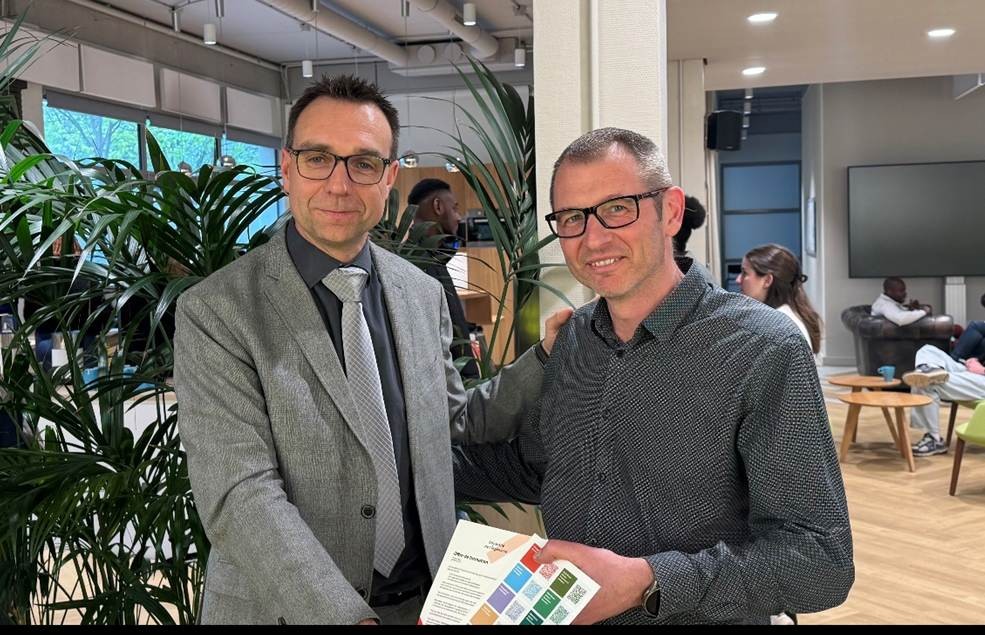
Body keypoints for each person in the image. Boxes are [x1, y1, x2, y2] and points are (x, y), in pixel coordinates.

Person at [174, 75, 569, 625]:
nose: (339, 185)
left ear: (388, 177)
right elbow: (241, 496)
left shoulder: (421, 293)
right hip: (291, 613)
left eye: (363, 163)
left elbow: (451, 421)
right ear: (287, 168)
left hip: (423, 601)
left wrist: (545, 356)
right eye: (318, 159)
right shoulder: (218, 310)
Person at [453, 127, 854, 624]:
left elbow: (821, 561)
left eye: (617, 208)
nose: (592, 238)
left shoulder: (762, 348)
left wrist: (647, 581)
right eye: (572, 218)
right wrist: (407, 466)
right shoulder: (574, 337)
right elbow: (544, 467)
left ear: (670, 211)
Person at [407, 178, 479, 379]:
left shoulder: (431, 259)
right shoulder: (420, 267)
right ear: (438, 206)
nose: (458, 217)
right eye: (454, 208)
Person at [902, 328, 985, 456]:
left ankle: (933, 438)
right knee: (927, 350)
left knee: (926, 382)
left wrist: (982, 370)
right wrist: (974, 361)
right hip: (973, 372)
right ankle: (929, 369)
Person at [736, 243, 822, 355]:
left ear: (767, 280)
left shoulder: (776, 327)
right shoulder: (786, 317)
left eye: (745, 273)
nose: (738, 280)